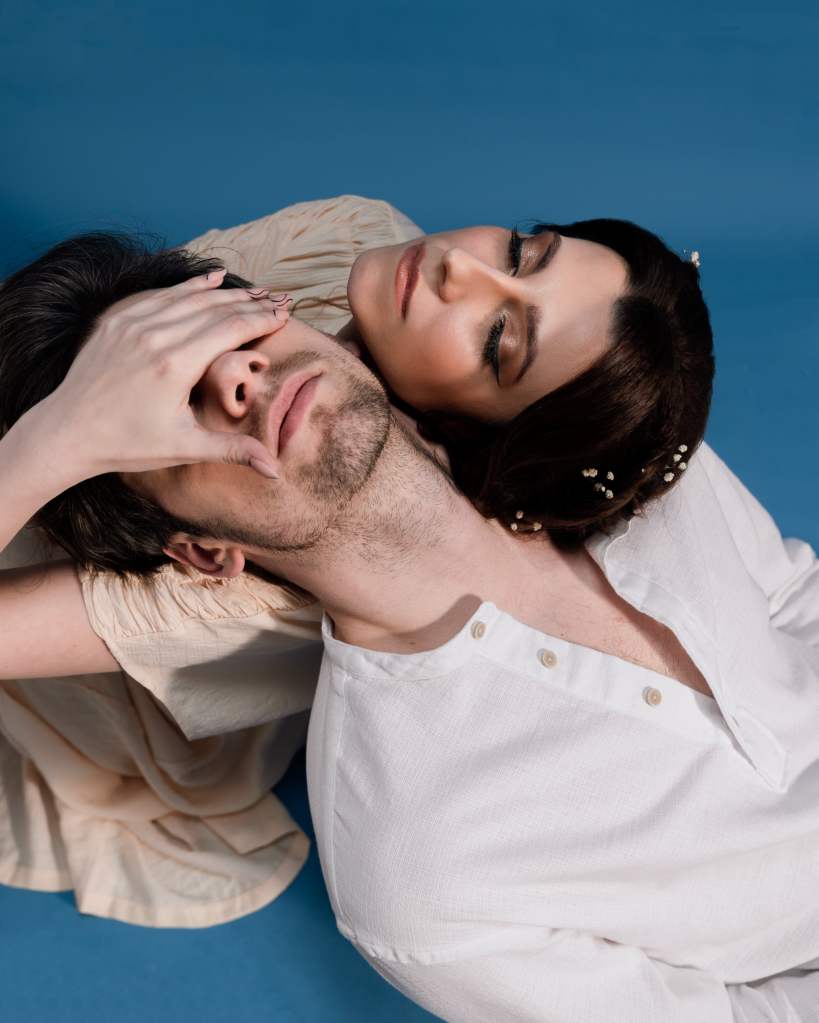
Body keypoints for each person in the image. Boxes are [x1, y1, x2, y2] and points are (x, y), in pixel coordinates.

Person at [3, 257, 819, 1021]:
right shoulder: (419, 874)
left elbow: (792, 594)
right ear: (202, 552)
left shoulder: (611, 436)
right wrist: (53, 442)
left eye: (225, 331)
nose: (235, 375)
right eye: (178, 404)